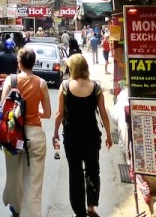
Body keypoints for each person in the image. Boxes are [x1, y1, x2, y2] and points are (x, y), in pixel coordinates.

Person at [53, 54, 112, 217]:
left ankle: (79, 212)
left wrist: (55, 133)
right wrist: (108, 135)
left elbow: (59, 113)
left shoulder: (65, 86)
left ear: (73, 68)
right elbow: (103, 114)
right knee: (93, 170)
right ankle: (91, 207)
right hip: (91, 136)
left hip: (71, 137)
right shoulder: (96, 87)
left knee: (75, 173)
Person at [1, 47, 52, 217]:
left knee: (14, 176)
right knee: (34, 183)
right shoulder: (41, 83)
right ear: (33, 63)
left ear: (19, 62)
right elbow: (47, 113)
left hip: (13, 135)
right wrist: (33, 112)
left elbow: (2, 108)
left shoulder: (11, 80)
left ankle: (16, 207)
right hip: (35, 135)